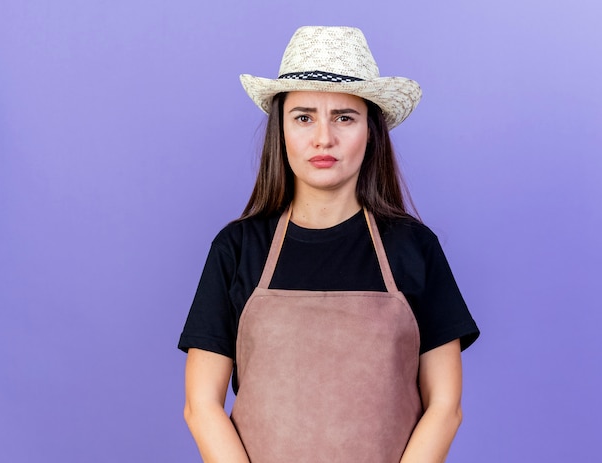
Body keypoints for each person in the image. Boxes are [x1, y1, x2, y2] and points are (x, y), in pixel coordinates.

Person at [178, 26, 479, 463]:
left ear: (371, 131)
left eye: (344, 117)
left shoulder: (414, 247)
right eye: (304, 117)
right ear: (280, 131)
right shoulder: (238, 248)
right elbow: (201, 407)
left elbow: (445, 408)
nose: (324, 138)